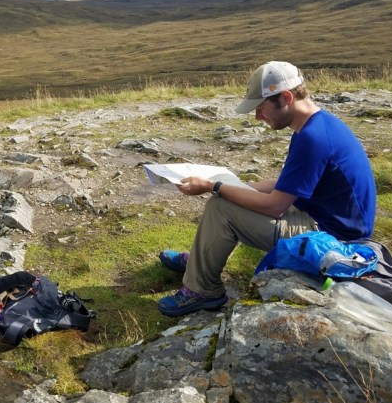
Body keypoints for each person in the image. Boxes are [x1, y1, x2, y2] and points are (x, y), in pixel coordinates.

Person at [157, 61, 377, 317]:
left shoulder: (312, 138)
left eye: (261, 108)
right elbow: (286, 185)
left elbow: (275, 206)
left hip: (335, 241)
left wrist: (214, 186)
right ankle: (199, 262)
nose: (258, 116)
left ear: (285, 97)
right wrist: (237, 186)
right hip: (327, 221)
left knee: (221, 206)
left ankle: (203, 291)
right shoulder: (317, 125)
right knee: (232, 198)